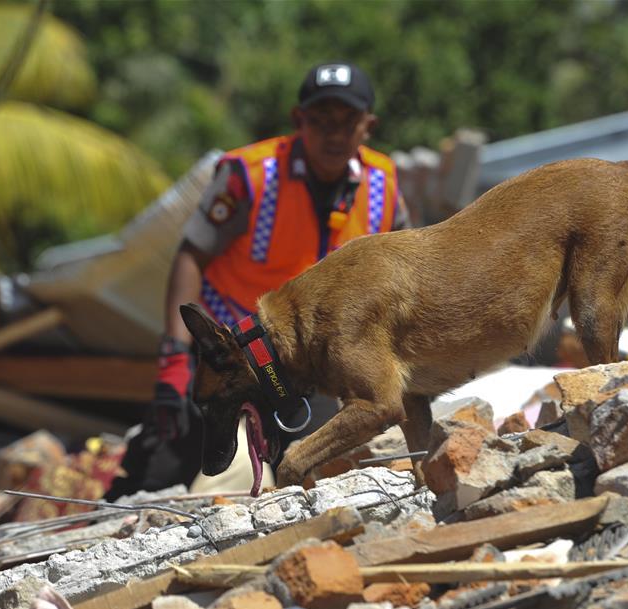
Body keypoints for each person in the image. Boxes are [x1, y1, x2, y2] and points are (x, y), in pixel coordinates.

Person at [106, 62, 410, 500]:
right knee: (163, 470)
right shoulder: (250, 175)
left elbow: (399, 274)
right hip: (230, 354)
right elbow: (191, 256)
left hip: (313, 361)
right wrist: (175, 357)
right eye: (320, 120)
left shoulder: (383, 185)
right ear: (298, 120)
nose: (333, 133)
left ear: (369, 126)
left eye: (347, 121)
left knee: (322, 476)